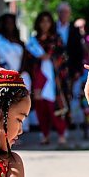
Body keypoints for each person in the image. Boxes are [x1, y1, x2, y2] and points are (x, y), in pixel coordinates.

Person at [26, 11, 68, 145]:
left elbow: (63, 57)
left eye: (47, 21)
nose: (45, 24)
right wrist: (38, 58)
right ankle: (45, 134)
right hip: (38, 77)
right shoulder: (34, 41)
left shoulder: (56, 39)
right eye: (42, 21)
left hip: (53, 79)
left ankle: (61, 134)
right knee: (41, 106)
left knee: (54, 105)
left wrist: (52, 58)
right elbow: (27, 59)